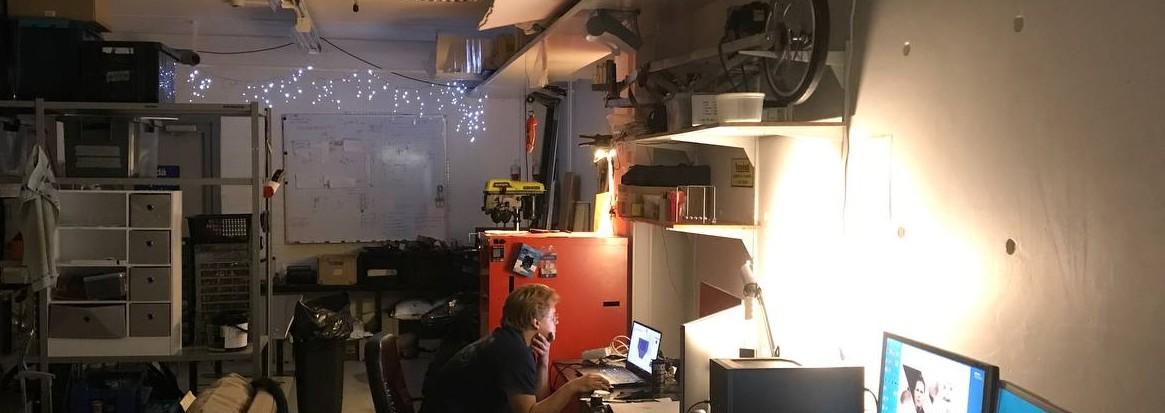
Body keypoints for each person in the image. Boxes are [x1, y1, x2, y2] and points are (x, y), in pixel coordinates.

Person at [421, 284, 611, 413]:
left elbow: (537, 401)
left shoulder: (510, 340)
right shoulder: (514, 352)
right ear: (536, 322)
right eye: (553, 317)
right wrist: (574, 386)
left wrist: (543, 361)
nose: (557, 322)